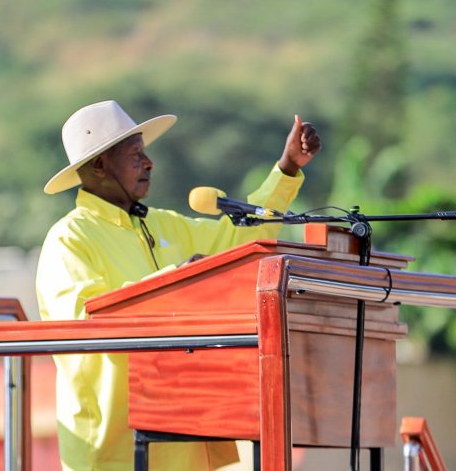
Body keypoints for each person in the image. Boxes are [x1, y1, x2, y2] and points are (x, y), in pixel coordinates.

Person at [36, 100, 321, 471]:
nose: (149, 162)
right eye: (135, 154)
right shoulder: (69, 239)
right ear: (100, 166)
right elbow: (83, 324)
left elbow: (237, 242)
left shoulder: (163, 224)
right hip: (116, 452)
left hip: (183, 439)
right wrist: (173, 282)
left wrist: (286, 169)